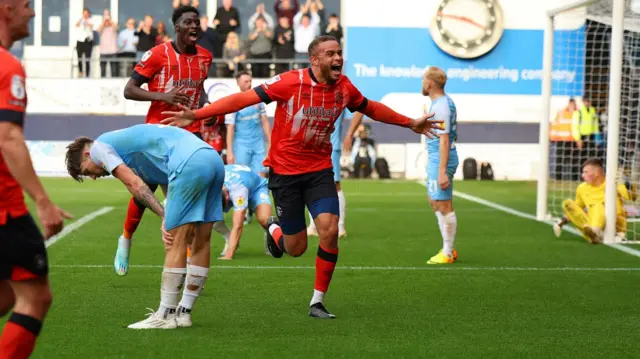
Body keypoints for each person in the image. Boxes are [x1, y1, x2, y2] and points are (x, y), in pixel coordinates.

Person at [161, 35, 443, 318]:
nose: (338, 58)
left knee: (330, 230)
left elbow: (369, 107)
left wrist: (409, 123)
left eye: (340, 53)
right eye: (330, 54)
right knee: (295, 248)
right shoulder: (289, 82)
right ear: (315, 59)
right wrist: (197, 114)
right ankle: (274, 228)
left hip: (319, 171)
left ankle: (317, 302)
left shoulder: (344, 87)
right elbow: (242, 99)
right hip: (285, 174)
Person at [64, 124, 224, 329]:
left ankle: (165, 315)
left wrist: (166, 218)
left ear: (87, 154)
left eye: (88, 171)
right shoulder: (133, 150)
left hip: (189, 162)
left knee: (174, 240)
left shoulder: (99, 147)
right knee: (201, 239)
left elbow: (135, 184)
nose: (94, 176)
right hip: (212, 159)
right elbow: (166, 180)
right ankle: (184, 313)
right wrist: (169, 216)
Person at [115, 5, 212, 277]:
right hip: (157, 132)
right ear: (177, 27)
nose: (194, 26)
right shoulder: (158, 54)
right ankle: (126, 238)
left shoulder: (205, 57)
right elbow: (129, 90)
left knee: (186, 196)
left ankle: (187, 256)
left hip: (189, 134)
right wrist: (163, 96)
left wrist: (207, 110)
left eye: (197, 21)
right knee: (146, 188)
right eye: (188, 22)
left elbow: (199, 90)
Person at [0, 1, 72, 357]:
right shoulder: (8, 67)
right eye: (27, 5)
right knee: (35, 297)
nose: (32, 12)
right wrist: (43, 202)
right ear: (6, 8)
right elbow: (8, 137)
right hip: (4, 208)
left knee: (5, 296)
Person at [422, 67, 459, 265]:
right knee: (434, 201)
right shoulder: (442, 103)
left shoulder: (442, 105)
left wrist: (442, 170)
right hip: (438, 156)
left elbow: (444, 140)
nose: (422, 84)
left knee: (444, 204)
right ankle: (448, 248)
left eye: (423, 80)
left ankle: (447, 251)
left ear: (430, 83)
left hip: (441, 157)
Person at [307, 110, 363, 239]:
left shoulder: (340, 91)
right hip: (311, 148)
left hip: (331, 146)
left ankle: (340, 226)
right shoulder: (311, 93)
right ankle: (314, 226)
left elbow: (360, 110)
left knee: (334, 185)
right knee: (311, 184)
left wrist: (349, 134)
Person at [553, 158, 633, 244]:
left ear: (597, 173)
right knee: (567, 204)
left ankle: (596, 232)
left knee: (597, 206)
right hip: (591, 224)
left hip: (614, 226)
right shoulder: (582, 188)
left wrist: (626, 183)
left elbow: (630, 197)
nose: (582, 175)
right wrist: (561, 223)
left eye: (585, 172)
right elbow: (577, 208)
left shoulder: (613, 183)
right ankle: (594, 233)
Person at [218, 164, 280, 259]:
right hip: (239, 184)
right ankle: (229, 237)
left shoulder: (238, 190)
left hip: (256, 189)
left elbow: (238, 225)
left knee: (265, 220)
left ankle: (272, 241)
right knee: (213, 218)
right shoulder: (213, 183)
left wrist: (228, 255)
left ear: (227, 196)